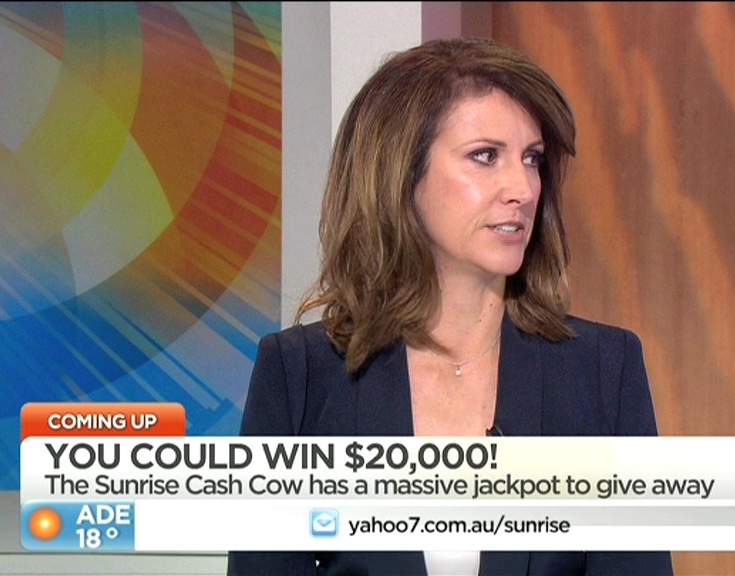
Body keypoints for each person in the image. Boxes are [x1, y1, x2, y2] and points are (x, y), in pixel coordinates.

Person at [227, 37, 673, 576]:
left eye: (531, 159)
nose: (522, 188)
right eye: (485, 156)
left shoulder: (602, 371)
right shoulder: (300, 377)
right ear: (400, 174)